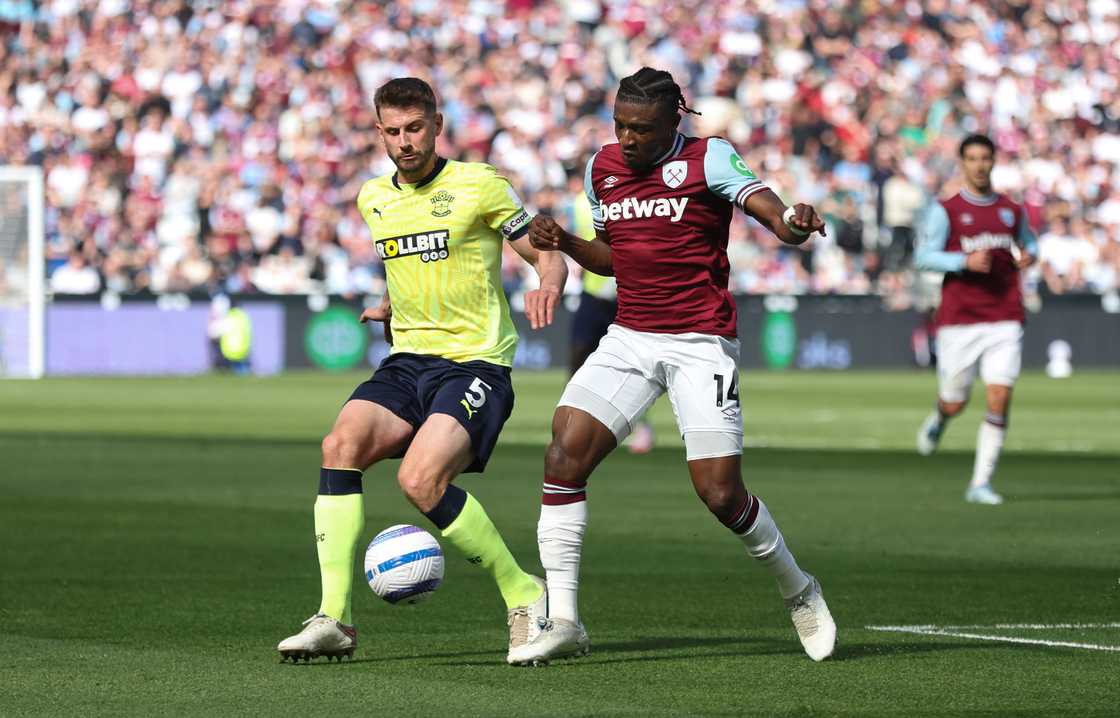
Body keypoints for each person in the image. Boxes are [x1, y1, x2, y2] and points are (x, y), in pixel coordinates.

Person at [510, 67, 837, 665]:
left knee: (719, 495)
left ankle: (799, 587)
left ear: (673, 124)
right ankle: (564, 620)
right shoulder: (600, 169)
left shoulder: (711, 159)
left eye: (641, 129)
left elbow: (778, 221)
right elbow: (611, 261)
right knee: (564, 452)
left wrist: (796, 221)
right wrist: (566, 244)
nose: (627, 139)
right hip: (631, 334)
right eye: (620, 125)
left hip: (700, 341)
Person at [277, 78, 568, 663]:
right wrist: (390, 305)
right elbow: (405, 263)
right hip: (407, 360)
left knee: (419, 481)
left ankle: (524, 591)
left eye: (415, 129)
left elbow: (543, 251)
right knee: (340, 443)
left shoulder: (479, 185)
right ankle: (335, 618)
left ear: (437, 125)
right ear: (379, 132)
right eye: (393, 131)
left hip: (475, 363)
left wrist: (548, 283)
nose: (405, 142)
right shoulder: (372, 198)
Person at [914, 134, 1037, 505]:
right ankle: (940, 416)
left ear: (994, 161)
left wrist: (1029, 255)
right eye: (973, 158)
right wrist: (962, 262)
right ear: (962, 163)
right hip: (960, 319)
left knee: (999, 397)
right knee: (956, 401)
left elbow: (1029, 242)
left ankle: (980, 483)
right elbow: (924, 256)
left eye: (986, 158)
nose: (980, 165)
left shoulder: (1010, 210)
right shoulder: (946, 210)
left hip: (1005, 316)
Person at [566, 190, 655, 453]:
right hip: (593, 294)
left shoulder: (634, 199)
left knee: (636, 364)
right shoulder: (579, 203)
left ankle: (641, 427)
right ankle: (573, 426)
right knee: (578, 356)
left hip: (627, 293)